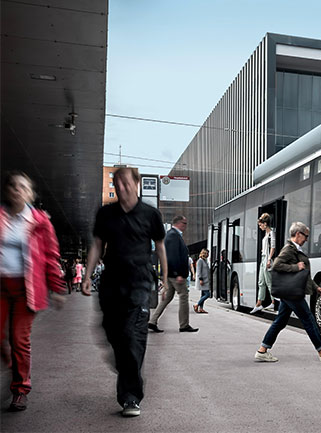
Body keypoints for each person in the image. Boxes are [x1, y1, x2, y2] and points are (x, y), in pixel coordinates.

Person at [83, 167, 167, 417]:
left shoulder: (151, 214)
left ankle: (131, 396)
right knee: (113, 333)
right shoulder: (106, 213)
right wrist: (87, 276)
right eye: (116, 183)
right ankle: (125, 366)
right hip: (111, 283)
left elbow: (160, 246)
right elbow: (97, 246)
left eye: (125, 183)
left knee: (134, 335)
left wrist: (164, 276)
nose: (121, 187)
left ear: (137, 184)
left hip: (140, 282)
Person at [0, 171, 66, 412]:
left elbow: (51, 256)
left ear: (29, 193)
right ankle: (12, 367)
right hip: (0, 288)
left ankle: (20, 389)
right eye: (13, 186)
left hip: (25, 290)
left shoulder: (39, 221)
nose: (17, 190)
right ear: (7, 191)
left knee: (19, 340)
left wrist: (57, 287)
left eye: (22, 187)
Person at [253, 222, 321, 363]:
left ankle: (262, 350)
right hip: (291, 293)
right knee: (308, 319)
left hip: (289, 292)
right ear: (298, 234)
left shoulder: (296, 249)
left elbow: (303, 274)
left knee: (280, 321)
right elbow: (277, 265)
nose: (307, 239)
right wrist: (295, 267)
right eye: (305, 236)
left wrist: (316, 287)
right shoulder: (289, 249)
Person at [148, 215, 198, 333]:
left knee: (167, 298)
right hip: (174, 274)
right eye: (184, 223)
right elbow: (172, 257)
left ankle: (152, 321)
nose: (185, 226)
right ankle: (184, 325)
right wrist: (178, 274)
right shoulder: (173, 236)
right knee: (184, 295)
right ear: (178, 223)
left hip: (170, 274)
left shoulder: (171, 235)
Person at [251, 213, 276, 313]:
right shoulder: (266, 234)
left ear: (265, 224)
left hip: (267, 259)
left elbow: (273, 247)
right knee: (261, 282)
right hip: (263, 258)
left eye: (260, 225)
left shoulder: (271, 233)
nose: (260, 227)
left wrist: (269, 259)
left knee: (269, 282)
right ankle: (259, 304)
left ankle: (274, 303)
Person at [193, 249, 211, 314]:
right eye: (207, 253)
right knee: (207, 294)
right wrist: (200, 279)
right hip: (202, 281)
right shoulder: (200, 261)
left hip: (206, 281)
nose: (208, 255)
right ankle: (196, 305)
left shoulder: (205, 261)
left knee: (203, 295)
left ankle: (201, 309)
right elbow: (198, 271)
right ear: (204, 253)